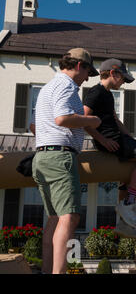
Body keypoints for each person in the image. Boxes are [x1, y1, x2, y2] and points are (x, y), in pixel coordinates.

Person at [32, 48, 101, 274]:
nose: (86, 80)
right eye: (87, 73)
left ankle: (47, 269)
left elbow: (34, 127)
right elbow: (62, 118)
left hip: (42, 156)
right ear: (80, 66)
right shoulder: (67, 86)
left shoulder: (47, 88)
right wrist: (92, 119)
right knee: (69, 217)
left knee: (54, 219)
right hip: (60, 156)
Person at [83, 58, 136, 235]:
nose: (123, 83)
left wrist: (131, 139)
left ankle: (123, 224)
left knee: (130, 168)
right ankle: (129, 202)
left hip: (117, 137)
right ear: (113, 73)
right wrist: (103, 140)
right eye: (123, 78)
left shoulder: (107, 94)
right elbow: (83, 120)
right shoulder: (96, 93)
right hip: (108, 139)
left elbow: (115, 120)